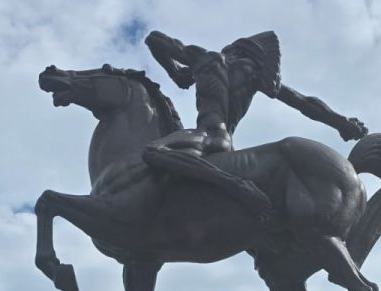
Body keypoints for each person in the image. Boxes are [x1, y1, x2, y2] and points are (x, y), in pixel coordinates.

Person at [142, 29, 368, 218]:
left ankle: (235, 185)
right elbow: (305, 103)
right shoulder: (255, 74)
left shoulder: (207, 59)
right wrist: (342, 123)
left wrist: (175, 73)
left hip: (204, 137)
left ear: (232, 48)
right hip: (226, 145)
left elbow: (155, 39)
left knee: (152, 150)